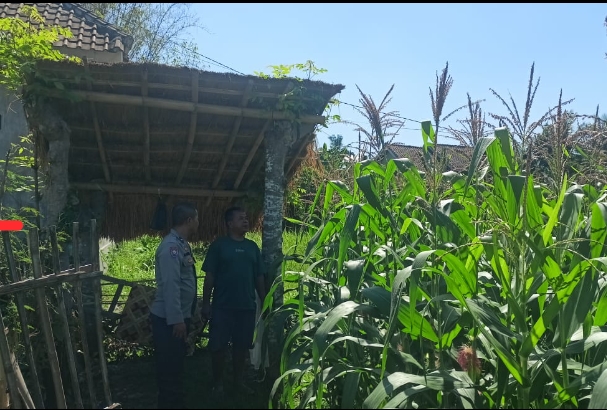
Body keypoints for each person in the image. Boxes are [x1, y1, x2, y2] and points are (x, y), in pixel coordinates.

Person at [201, 206, 266, 396]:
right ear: (230, 224)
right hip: (222, 307)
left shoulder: (252, 247)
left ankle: (238, 382)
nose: (245, 221)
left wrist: (265, 300)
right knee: (218, 347)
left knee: (242, 347)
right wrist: (206, 303)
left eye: (246, 218)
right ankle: (218, 383)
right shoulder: (219, 245)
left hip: (246, 307)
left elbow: (259, 277)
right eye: (240, 218)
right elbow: (210, 277)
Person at [149, 202, 199, 409]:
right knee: (169, 366)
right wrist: (177, 319)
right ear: (189, 220)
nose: (198, 222)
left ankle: (175, 401)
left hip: (176, 317)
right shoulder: (171, 247)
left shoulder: (181, 244)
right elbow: (171, 285)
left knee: (176, 364)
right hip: (168, 320)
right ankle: (169, 403)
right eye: (196, 218)